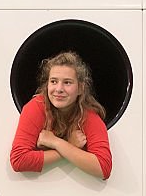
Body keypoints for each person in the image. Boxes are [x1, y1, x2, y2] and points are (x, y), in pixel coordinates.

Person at [9, 51, 112, 181]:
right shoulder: (36, 107)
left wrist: (56, 142)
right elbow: (19, 160)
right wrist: (70, 145)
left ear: (80, 88)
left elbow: (103, 168)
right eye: (53, 81)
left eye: (67, 83)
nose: (59, 89)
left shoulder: (87, 115)